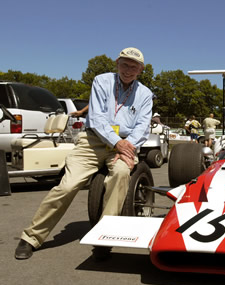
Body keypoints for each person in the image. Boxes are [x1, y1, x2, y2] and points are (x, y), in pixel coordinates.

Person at [14, 47, 153, 261]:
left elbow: (143, 127)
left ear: (140, 70)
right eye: (125, 64)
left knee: (121, 175)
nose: (128, 70)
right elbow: (96, 118)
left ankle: (104, 236)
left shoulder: (144, 94)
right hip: (94, 141)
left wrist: (127, 147)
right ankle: (31, 237)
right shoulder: (101, 81)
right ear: (117, 63)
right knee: (68, 185)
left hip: (125, 144)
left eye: (134, 67)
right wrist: (118, 143)